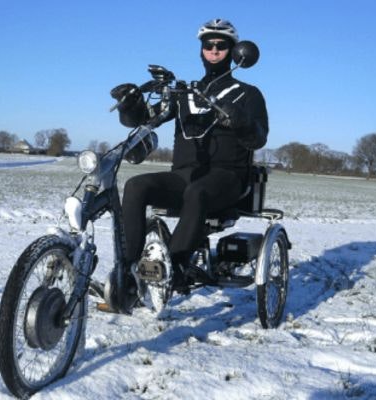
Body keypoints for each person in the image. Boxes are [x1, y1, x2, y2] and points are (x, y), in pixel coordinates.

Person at [110, 19, 268, 313]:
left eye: (221, 45)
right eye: (208, 44)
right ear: (201, 50)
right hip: (184, 175)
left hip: (229, 178)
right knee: (136, 185)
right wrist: (129, 105)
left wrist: (240, 119)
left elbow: (259, 137)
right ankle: (129, 273)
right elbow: (146, 118)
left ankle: (176, 268)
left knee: (197, 192)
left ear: (235, 51)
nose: (214, 50)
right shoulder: (185, 94)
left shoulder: (248, 94)